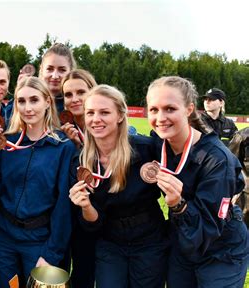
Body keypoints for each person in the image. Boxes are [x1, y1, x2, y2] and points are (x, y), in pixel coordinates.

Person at [146, 76, 249, 287]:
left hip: (221, 246)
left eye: (170, 109)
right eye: (153, 110)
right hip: (182, 243)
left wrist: (178, 204)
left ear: (188, 109)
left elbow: (206, 230)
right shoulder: (159, 143)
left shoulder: (217, 159)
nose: (160, 117)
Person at [0, 76, 76, 287]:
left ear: (47, 102)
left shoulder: (63, 146)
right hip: (1, 236)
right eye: (21, 101)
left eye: (34, 100)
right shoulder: (6, 141)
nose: (27, 107)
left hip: (39, 238)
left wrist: (52, 252)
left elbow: (63, 206)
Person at [69, 84, 168, 287]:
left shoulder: (146, 149)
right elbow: (92, 224)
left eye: (104, 112)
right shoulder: (80, 161)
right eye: (90, 113)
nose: (96, 119)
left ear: (120, 115)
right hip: (110, 243)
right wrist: (86, 206)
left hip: (149, 240)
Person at [60, 69, 98, 287]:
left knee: (86, 272)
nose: (74, 99)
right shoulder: (62, 129)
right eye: (68, 94)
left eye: (80, 92)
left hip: (95, 216)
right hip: (66, 214)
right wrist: (70, 146)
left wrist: (81, 147)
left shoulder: (105, 127)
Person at [39, 43, 76, 113]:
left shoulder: (80, 105)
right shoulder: (26, 102)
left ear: (71, 71)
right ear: (41, 69)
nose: (55, 76)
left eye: (62, 70)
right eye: (50, 69)